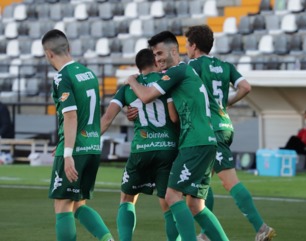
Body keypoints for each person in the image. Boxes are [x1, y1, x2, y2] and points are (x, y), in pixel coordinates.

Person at [126, 31, 229, 241]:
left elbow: (145, 96)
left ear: (174, 51)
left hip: (195, 142)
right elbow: (172, 117)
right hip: (207, 141)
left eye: (160, 53)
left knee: (172, 196)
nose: (157, 59)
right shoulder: (183, 74)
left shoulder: (177, 71)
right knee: (195, 205)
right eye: (155, 55)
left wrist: (131, 81)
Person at [184, 25, 276, 241]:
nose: (186, 49)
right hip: (224, 126)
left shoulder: (194, 65)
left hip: (209, 130)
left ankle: (261, 228)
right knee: (200, 183)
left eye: (187, 44)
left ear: (194, 46)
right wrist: (226, 103)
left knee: (228, 181)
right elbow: (245, 87)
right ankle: (206, 234)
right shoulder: (224, 65)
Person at [42, 29, 114, 241]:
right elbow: (86, 116)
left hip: (76, 149)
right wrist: (66, 143)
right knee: (79, 204)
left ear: (48, 54)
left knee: (62, 204)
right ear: (69, 48)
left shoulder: (62, 77)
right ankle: (107, 239)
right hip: (92, 146)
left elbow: (72, 116)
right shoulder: (88, 73)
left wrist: (67, 152)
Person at [101, 48, 180, 241]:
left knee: (127, 198)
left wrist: (85, 142)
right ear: (155, 61)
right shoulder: (166, 82)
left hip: (141, 149)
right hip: (168, 149)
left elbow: (107, 118)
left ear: (138, 67)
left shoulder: (128, 88)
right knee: (168, 203)